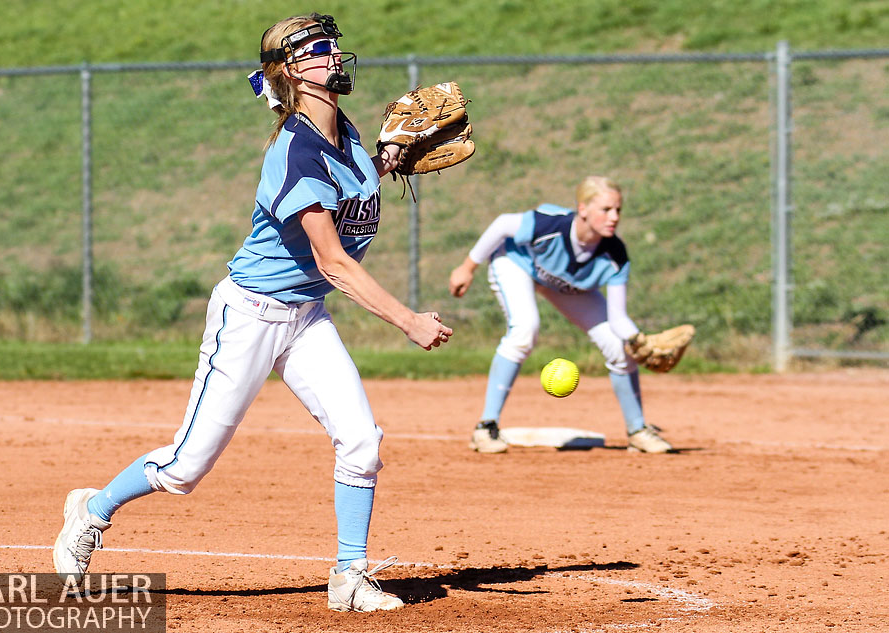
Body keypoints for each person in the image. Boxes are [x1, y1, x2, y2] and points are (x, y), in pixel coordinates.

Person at [52, 13, 452, 613]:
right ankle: (93, 508)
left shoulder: (344, 130)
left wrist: (388, 157)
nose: (333, 56)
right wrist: (409, 321)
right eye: (318, 50)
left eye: (332, 46)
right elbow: (334, 262)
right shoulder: (293, 153)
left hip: (305, 317)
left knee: (362, 442)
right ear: (290, 71)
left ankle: (349, 575)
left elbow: (348, 190)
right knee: (186, 469)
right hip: (249, 316)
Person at [448, 176, 672, 454]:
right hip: (518, 263)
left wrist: (638, 340)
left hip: (565, 284)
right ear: (583, 209)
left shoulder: (615, 254)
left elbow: (617, 318)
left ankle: (638, 430)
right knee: (525, 330)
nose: (614, 217)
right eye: (606, 209)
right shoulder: (551, 225)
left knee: (618, 347)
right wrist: (468, 266)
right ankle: (485, 427)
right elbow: (504, 223)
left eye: (618, 210)